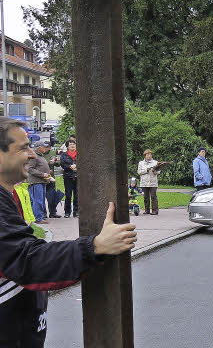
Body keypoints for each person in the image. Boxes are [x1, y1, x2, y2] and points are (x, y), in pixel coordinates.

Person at [0, 116, 137, 347]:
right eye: (23, 148)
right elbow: (26, 261)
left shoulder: (9, 196)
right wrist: (95, 247)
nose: (32, 155)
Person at [25, 142, 54, 224]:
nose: (45, 148)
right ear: (38, 148)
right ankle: (38, 218)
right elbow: (30, 169)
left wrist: (47, 171)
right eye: (43, 147)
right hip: (36, 182)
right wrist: (42, 174)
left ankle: (40, 216)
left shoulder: (40, 156)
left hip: (42, 181)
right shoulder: (34, 156)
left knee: (40, 200)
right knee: (37, 200)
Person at [137, 149, 167, 215]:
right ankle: (147, 210)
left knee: (153, 196)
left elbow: (158, 172)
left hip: (153, 182)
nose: (149, 156)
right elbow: (139, 172)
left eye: (150, 154)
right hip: (144, 183)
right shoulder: (141, 163)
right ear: (145, 155)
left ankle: (155, 211)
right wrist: (146, 170)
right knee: (146, 197)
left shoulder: (155, 162)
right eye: (148, 154)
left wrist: (154, 171)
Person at [59, 136, 79, 217]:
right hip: (68, 176)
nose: (72, 146)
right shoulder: (64, 154)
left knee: (77, 195)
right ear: (67, 146)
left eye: (73, 144)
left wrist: (77, 166)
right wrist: (70, 166)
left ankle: (76, 211)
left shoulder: (79, 153)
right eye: (70, 144)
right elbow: (62, 164)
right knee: (68, 195)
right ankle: (67, 212)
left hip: (78, 176)